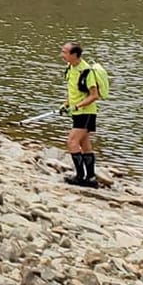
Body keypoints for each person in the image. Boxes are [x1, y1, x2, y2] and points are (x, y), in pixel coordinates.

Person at [61, 41, 105, 188]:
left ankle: (80, 177)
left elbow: (94, 95)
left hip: (86, 113)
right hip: (77, 112)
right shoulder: (70, 68)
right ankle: (91, 178)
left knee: (72, 142)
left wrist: (77, 106)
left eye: (65, 52)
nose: (62, 55)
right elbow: (72, 90)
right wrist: (66, 104)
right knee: (85, 144)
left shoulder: (86, 71)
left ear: (74, 55)